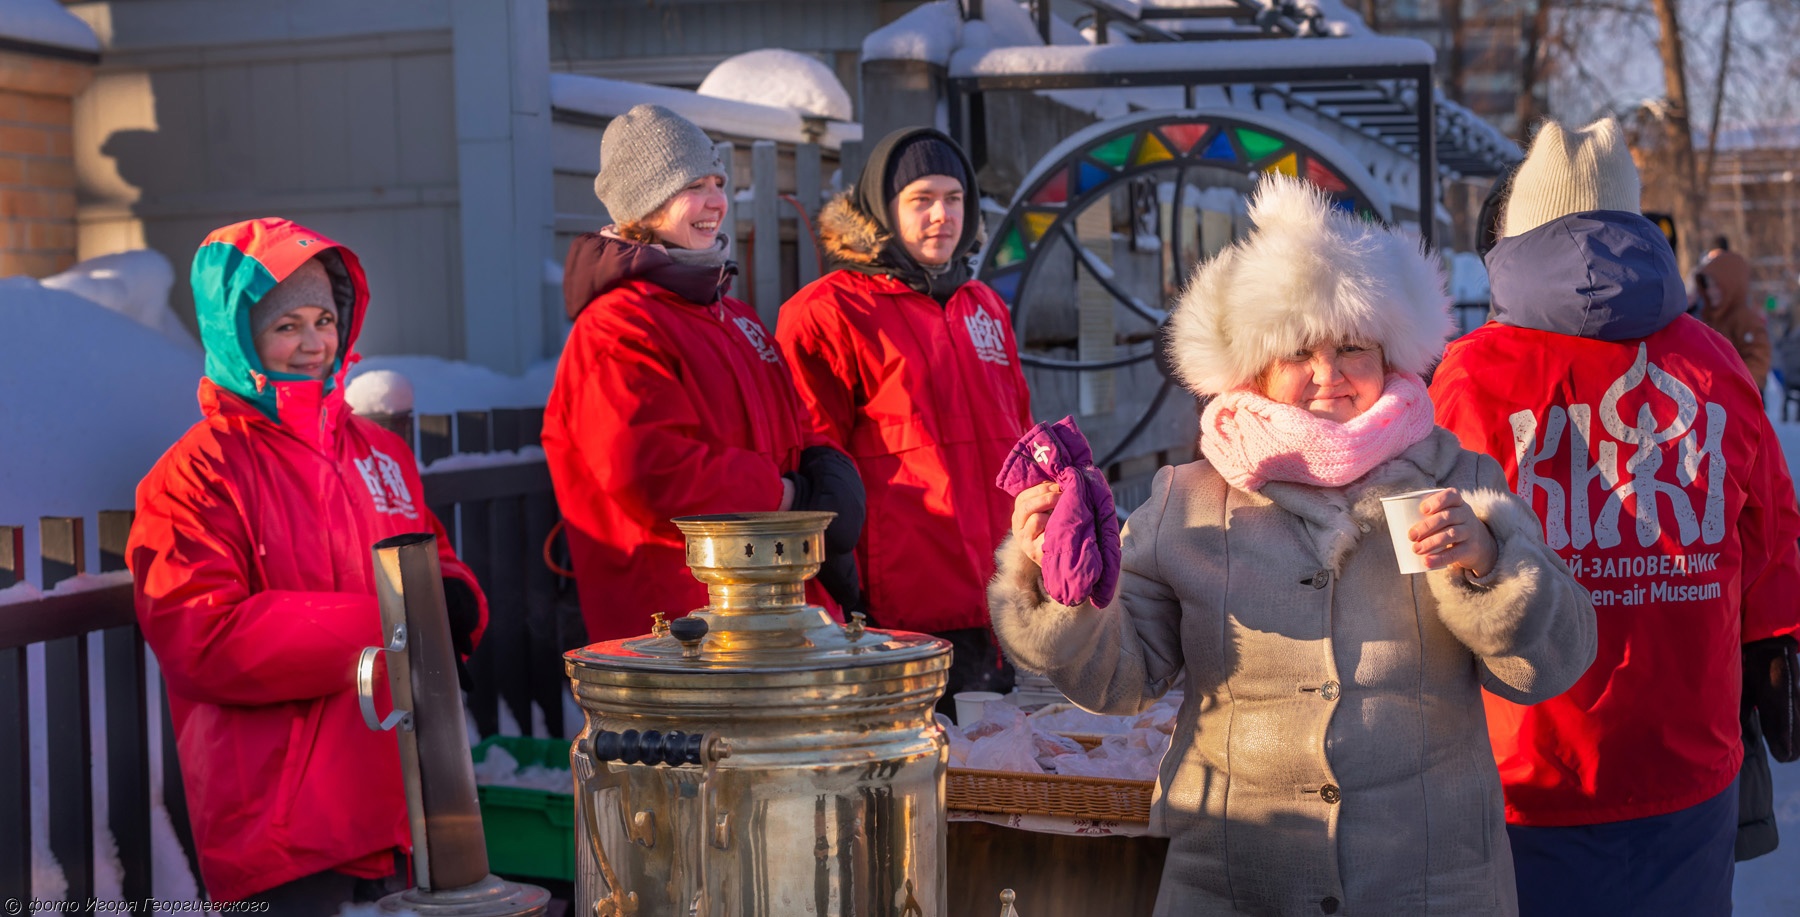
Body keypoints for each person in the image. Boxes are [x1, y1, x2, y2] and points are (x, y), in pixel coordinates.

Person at [991, 175, 1597, 915]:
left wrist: (1492, 565)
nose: (1328, 375)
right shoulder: (1190, 497)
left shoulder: (1459, 478)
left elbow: (1549, 666)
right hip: (1235, 886)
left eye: (1353, 347)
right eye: (1297, 352)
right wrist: (1059, 585)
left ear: (1391, 355)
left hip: (1431, 886)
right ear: (1255, 369)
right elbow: (1121, 683)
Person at [1431, 117, 1800, 914]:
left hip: (1527, 760)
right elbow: (1771, 525)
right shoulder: (1713, 361)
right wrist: (1773, 642)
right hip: (1688, 749)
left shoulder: (1470, 374)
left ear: (1516, 234)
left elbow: (1427, 545)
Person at [128, 218, 489, 907]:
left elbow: (431, 553)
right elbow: (203, 636)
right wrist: (395, 624)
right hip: (282, 823)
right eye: (286, 325)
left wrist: (455, 595)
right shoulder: (196, 474)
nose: (314, 342)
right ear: (238, 335)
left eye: (324, 319)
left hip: (401, 800)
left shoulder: (378, 451)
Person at [542, 103, 862, 644]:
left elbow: (795, 422)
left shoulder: (733, 316)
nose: (717, 201)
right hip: (684, 628)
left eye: (718, 183)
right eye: (693, 186)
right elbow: (651, 470)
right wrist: (788, 498)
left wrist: (827, 466)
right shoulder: (617, 327)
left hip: (765, 606)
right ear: (644, 208)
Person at [776, 126, 1034, 706]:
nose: (942, 215)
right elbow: (811, 461)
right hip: (896, 612)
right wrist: (840, 582)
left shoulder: (984, 306)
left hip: (1001, 600)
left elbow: (1020, 439)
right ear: (882, 210)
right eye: (922, 199)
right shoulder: (827, 312)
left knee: (1001, 757)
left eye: (954, 198)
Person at [1697, 246, 1772, 391]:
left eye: (1717, 286)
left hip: (1739, 395)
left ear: (1731, 285)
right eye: (1708, 286)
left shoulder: (1746, 319)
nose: (1711, 292)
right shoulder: (1710, 316)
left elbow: (1758, 362)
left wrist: (1732, 388)